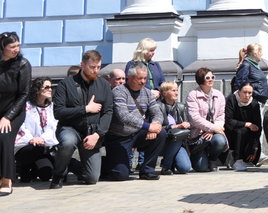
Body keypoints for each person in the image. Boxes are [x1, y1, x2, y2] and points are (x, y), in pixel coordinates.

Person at [51, 50, 113, 188]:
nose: (95, 70)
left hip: (91, 132)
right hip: (70, 128)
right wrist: (85, 109)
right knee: (68, 142)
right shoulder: (65, 84)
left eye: (98, 67)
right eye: (92, 67)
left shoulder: (103, 85)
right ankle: (58, 175)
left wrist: (97, 135)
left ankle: (65, 160)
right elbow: (58, 112)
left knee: (91, 178)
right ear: (82, 65)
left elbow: (108, 112)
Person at [103, 62, 166, 181]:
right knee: (120, 175)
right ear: (130, 78)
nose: (143, 81)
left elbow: (157, 113)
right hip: (119, 137)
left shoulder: (147, 92)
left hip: (138, 133)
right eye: (139, 78)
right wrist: (148, 127)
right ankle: (104, 164)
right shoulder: (119, 91)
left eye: (145, 78)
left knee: (161, 133)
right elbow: (124, 116)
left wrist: (155, 125)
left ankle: (147, 170)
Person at [0, 32, 32, 195]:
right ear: (2, 48)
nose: (16, 49)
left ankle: (7, 179)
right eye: (12, 46)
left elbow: (24, 94)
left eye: (18, 45)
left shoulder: (23, 64)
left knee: (4, 138)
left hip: (14, 111)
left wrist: (7, 116)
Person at [14, 77, 57, 183]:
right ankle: (23, 168)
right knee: (33, 149)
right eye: (46, 87)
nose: (50, 89)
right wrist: (31, 139)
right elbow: (21, 125)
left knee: (46, 174)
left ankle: (33, 169)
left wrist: (42, 138)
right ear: (37, 90)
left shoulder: (53, 107)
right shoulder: (26, 106)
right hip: (26, 146)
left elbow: (53, 126)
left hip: (43, 146)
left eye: (51, 87)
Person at [186, 67, 228, 172]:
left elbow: (221, 115)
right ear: (201, 79)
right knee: (201, 168)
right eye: (207, 77)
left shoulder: (219, 95)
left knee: (220, 140)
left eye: (212, 77)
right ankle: (197, 155)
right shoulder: (193, 95)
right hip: (198, 136)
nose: (211, 79)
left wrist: (213, 130)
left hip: (214, 133)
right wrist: (212, 128)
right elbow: (194, 118)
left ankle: (213, 159)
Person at [225, 82, 263, 171]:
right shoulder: (231, 99)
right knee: (241, 130)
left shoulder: (254, 104)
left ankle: (241, 157)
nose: (247, 95)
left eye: (250, 93)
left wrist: (255, 147)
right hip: (231, 133)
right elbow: (228, 121)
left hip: (248, 136)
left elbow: (258, 127)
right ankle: (237, 159)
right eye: (244, 92)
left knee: (253, 156)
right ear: (239, 92)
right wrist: (247, 124)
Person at [157, 81, 192, 175]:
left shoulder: (180, 106)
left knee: (185, 168)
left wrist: (187, 124)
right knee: (175, 135)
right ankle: (166, 166)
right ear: (164, 92)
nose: (176, 93)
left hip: (177, 141)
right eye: (173, 90)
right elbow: (157, 127)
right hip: (162, 140)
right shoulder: (158, 106)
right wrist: (176, 126)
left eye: (177, 90)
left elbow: (187, 125)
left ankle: (171, 160)